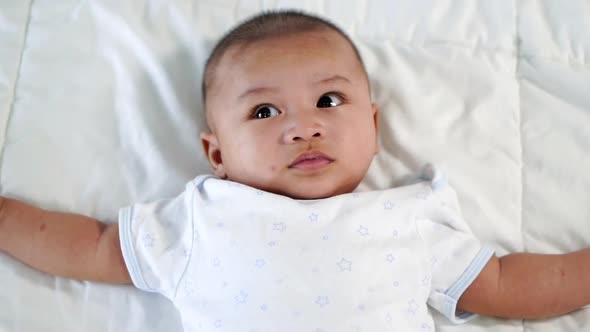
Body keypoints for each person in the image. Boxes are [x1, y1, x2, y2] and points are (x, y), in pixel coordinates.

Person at [0, 10, 589, 332]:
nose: (303, 127)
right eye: (263, 111)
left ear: (374, 126)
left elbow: (509, 285)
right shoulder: (204, 218)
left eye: (329, 102)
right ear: (218, 155)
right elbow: (95, 247)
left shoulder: (407, 219)